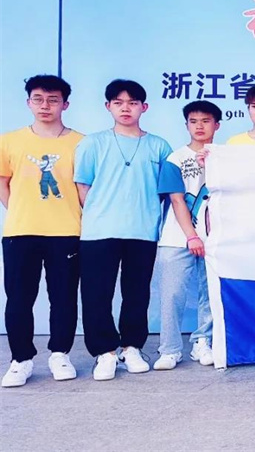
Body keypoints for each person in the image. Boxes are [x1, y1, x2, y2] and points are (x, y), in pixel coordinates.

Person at [74, 79, 172, 381]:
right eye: (118, 103)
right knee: (96, 294)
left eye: (132, 103)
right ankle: (104, 352)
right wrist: (102, 212)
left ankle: (132, 347)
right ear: (108, 106)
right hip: (99, 231)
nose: (125, 108)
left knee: (137, 293)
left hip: (142, 230)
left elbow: (166, 191)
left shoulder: (159, 145)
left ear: (144, 107)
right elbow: (82, 187)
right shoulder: (92, 143)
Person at [1, 75, 82, 387]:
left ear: (65, 104)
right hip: (21, 231)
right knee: (19, 298)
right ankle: (21, 360)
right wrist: (20, 209)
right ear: (28, 102)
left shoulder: (81, 143)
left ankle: (60, 354)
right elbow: (3, 182)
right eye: (38, 99)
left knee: (63, 298)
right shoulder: (9, 141)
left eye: (53, 100)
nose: (45, 105)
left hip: (67, 231)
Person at [152, 101, 220, 371]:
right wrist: (192, 236)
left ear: (217, 125)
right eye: (193, 121)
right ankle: (169, 350)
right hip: (177, 237)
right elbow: (177, 200)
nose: (199, 126)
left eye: (205, 121)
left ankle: (203, 341)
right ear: (186, 125)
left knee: (210, 294)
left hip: (215, 238)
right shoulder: (175, 158)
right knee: (172, 295)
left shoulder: (225, 158)